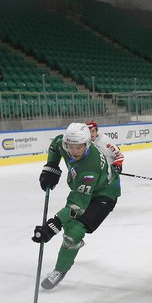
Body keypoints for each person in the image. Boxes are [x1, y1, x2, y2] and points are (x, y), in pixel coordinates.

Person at [32, 122, 121, 289]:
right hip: (83, 189)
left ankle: (60, 269)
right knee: (70, 224)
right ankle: (72, 246)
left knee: (74, 232)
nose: (74, 151)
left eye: (79, 147)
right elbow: (56, 144)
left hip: (104, 195)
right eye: (71, 147)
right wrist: (51, 166)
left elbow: (76, 206)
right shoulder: (64, 143)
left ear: (87, 144)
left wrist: (52, 226)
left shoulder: (90, 167)